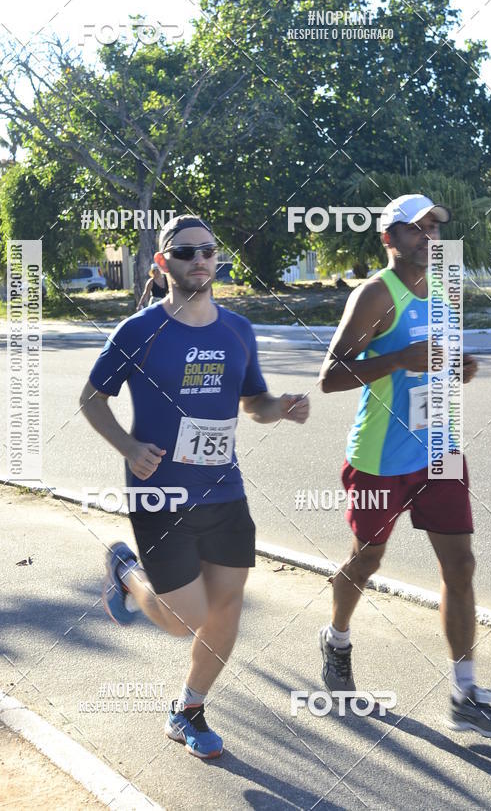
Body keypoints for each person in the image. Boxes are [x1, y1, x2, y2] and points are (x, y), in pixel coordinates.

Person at [80, 213, 310, 759]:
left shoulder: (237, 330)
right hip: (159, 492)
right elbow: (92, 400)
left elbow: (253, 404)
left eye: (207, 250)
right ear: (163, 263)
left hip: (225, 491)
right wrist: (130, 448)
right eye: (185, 252)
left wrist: (282, 408)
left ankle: (188, 710)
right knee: (186, 620)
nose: (199, 260)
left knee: (227, 607)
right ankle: (125, 570)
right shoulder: (137, 331)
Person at [317, 193, 491, 737]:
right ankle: (336, 638)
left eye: (433, 227)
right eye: (416, 228)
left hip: (441, 449)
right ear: (389, 238)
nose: (429, 236)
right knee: (367, 561)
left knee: (461, 565)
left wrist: (460, 366)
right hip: (381, 457)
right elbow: (331, 376)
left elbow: (438, 357)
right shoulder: (375, 295)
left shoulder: (447, 289)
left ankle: (465, 691)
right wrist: (398, 361)